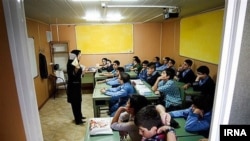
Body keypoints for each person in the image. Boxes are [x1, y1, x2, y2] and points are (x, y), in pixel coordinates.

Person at [66, 50, 86, 125]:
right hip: (73, 88)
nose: (80, 56)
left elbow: (77, 75)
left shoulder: (76, 63)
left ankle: (80, 116)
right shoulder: (71, 63)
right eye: (79, 54)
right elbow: (73, 76)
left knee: (79, 101)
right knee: (75, 103)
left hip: (77, 86)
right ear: (75, 55)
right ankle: (78, 120)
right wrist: (79, 71)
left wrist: (82, 73)